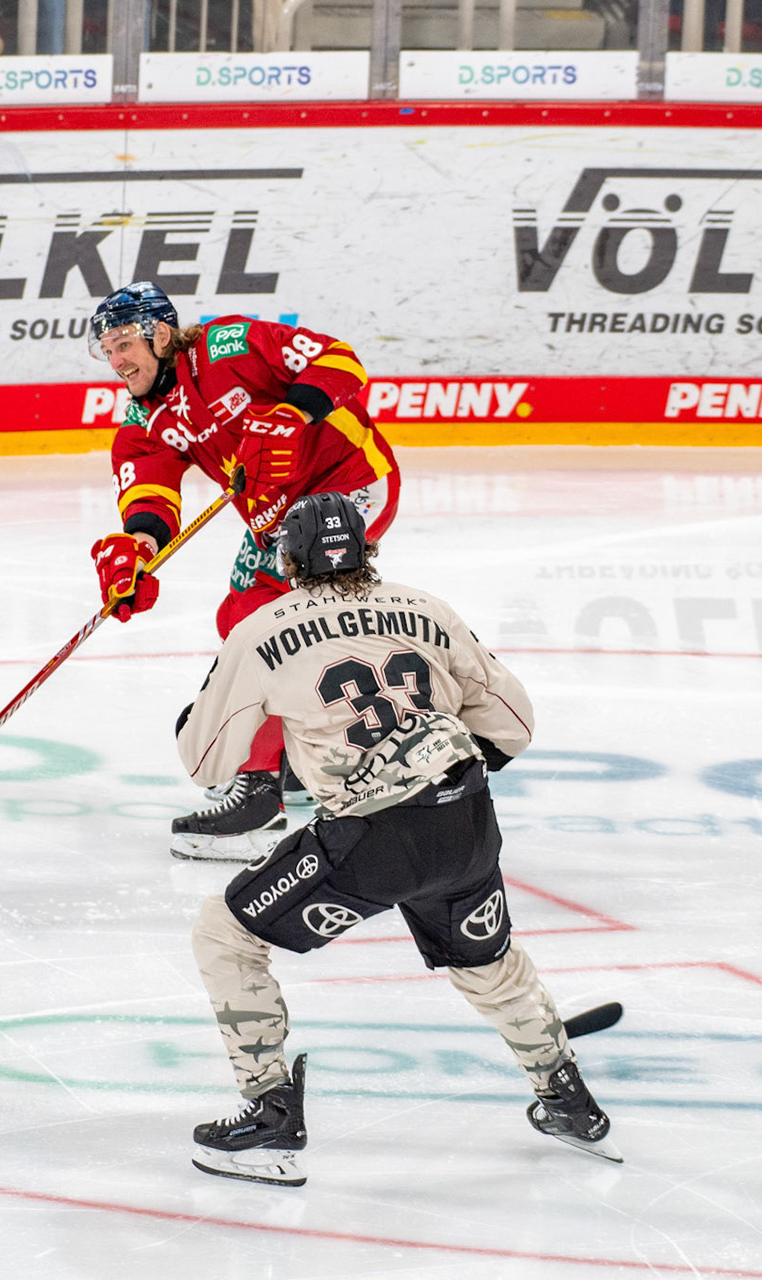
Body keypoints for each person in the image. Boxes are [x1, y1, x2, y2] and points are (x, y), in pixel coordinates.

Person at [173, 492, 619, 1187]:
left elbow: (206, 765)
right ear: (368, 546)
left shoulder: (262, 631)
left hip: (370, 840)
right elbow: (515, 725)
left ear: (287, 558)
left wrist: (202, 711)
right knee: (487, 962)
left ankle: (268, 1113)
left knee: (225, 936)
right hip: (466, 820)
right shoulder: (428, 609)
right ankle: (567, 1099)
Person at [88, 282, 401, 862]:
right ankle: (296, 752)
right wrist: (136, 549)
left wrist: (291, 412)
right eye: (105, 350)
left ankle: (261, 799)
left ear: (161, 334)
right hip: (275, 515)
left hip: (348, 485)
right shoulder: (143, 420)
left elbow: (340, 360)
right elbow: (150, 497)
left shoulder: (230, 344)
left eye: (124, 343)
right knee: (242, 620)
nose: (116, 361)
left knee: (263, 624)